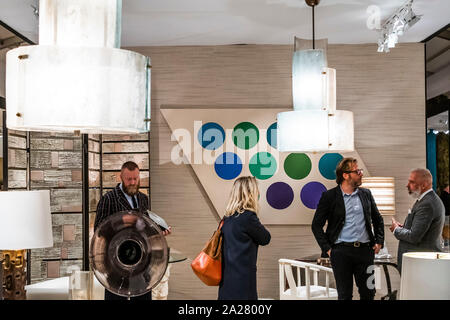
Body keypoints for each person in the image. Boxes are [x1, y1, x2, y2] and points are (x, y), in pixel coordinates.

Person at [94, 161, 171, 300]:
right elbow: (98, 230)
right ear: (121, 177)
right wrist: (121, 222)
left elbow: (145, 227)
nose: (133, 182)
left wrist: (159, 232)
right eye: (129, 179)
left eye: (135, 178)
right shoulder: (108, 199)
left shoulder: (143, 199)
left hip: (141, 263)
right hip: (115, 264)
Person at [311, 157, 384, 300]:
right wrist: (328, 248)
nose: (361, 173)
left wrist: (379, 241)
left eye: (360, 170)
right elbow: (316, 225)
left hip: (365, 252)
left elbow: (378, 219)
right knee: (344, 295)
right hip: (341, 253)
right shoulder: (329, 196)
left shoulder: (366, 194)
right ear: (345, 175)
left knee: (369, 292)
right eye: (357, 171)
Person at [218, 176, 271, 300]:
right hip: (243, 280)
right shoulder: (248, 217)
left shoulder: (226, 218)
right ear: (250, 193)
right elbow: (266, 238)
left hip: (226, 278)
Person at [390, 168, 445, 272]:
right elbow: (417, 229)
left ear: (423, 185)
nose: (407, 185)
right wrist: (403, 228)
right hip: (418, 263)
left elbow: (414, 236)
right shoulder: (426, 200)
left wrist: (396, 229)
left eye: (412, 182)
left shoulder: (427, 204)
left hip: (419, 265)